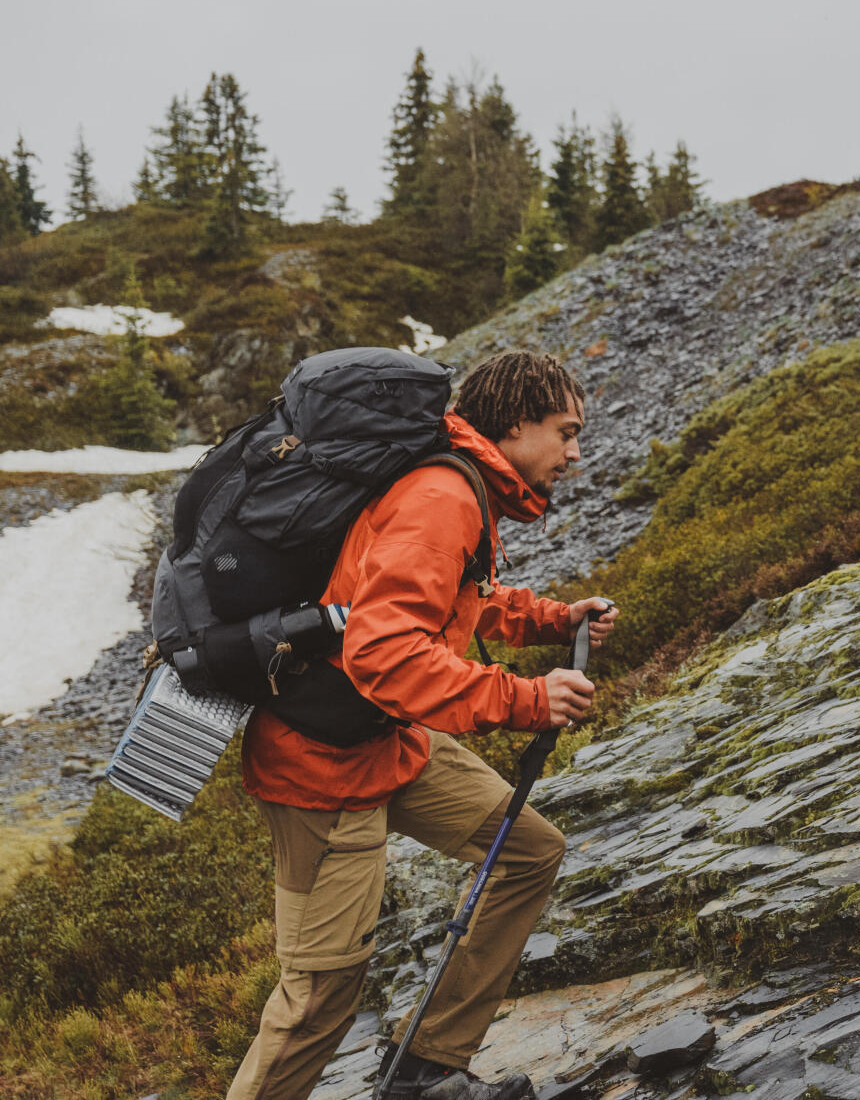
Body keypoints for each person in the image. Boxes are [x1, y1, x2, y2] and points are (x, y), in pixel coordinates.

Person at [228, 351, 618, 1100]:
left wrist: (553, 620)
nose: (574, 453)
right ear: (514, 424)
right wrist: (528, 700)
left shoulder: (462, 487)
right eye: (565, 432)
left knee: (528, 852)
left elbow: (458, 596)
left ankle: (427, 1067)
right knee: (320, 994)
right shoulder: (443, 495)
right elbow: (385, 654)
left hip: (387, 740)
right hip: (321, 762)